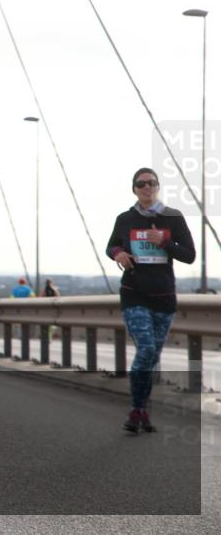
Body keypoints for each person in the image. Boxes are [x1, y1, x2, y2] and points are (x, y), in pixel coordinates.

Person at [106, 167, 195, 433]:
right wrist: (118, 253)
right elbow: (111, 245)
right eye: (141, 184)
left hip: (164, 297)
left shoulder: (173, 218)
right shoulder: (125, 219)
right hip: (134, 294)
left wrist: (164, 242)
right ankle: (136, 410)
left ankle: (142, 410)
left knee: (152, 356)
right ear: (134, 188)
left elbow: (189, 255)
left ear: (157, 187)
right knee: (145, 350)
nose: (146, 187)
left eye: (151, 183)